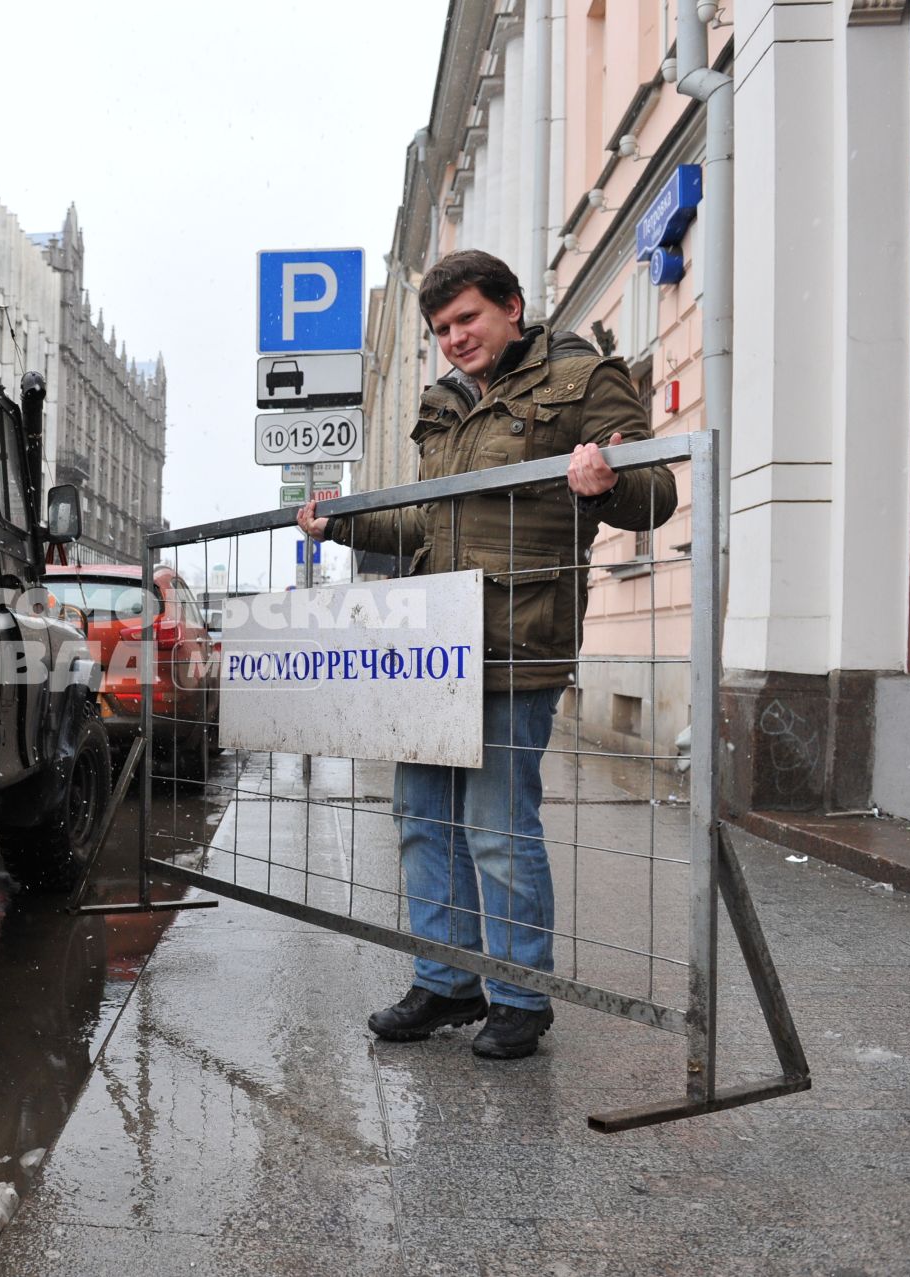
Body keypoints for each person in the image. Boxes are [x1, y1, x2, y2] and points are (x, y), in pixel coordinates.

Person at [297, 249, 675, 1060]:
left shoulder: (583, 377)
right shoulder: (442, 408)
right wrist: (346, 521)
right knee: (422, 819)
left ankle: (518, 994)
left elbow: (658, 495)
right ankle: (445, 980)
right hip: (436, 647)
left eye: (467, 318)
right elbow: (428, 527)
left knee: (497, 826)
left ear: (511, 305)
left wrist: (603, 481)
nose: (454, 338)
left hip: (518, 643)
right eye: (441, 328)